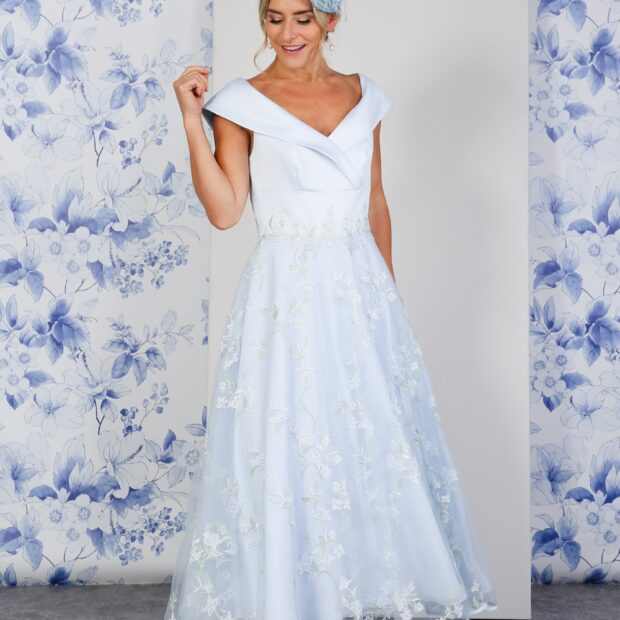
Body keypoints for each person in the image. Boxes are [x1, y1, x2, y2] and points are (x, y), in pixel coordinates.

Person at [166, 0, 498, 618]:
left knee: (366, 439)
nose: (287, 32)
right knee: (290, 440)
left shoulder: (362, 95)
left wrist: (388, 303)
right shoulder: (239, 103)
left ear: (330, 21)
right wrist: (192, 120)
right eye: (274, 18)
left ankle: (360, 590)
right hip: (284, 294)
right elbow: (226, 211)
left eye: (302, 17)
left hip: (359, 290)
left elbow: (376, 203)